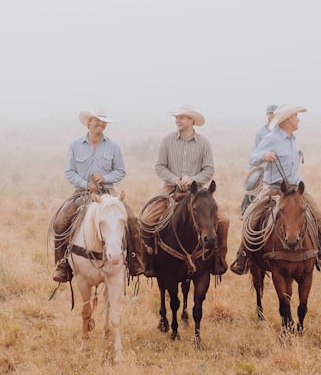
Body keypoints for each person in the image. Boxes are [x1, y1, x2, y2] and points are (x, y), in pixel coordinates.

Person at [230, 104, 321, 275]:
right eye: (296, 116)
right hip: (274, 188)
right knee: (251, 217)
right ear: (287, 120)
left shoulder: (293, 139)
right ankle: (243, 256)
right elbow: (252, 158)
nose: (298, 119)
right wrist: (264, 156)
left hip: (296, 188)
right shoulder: (271, 138)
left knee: (318, 215)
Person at [50, 109, 142, 283]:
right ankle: (62, 264)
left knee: (131, 219)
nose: (100, 125)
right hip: (82, 193)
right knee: (60, 222)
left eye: (103, 123)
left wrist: (105, 177)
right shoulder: (75, 145)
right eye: (96, 122)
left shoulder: (113, 146)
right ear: (88, 124)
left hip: (109, 193)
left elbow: (121, 171)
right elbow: (69, 171)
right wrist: (85, 184)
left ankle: (134, 259)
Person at [140, 104, 229, 277]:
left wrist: (193, 179)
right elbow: (159, 166)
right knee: (146, 219)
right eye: (176, 117)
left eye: (181, 117)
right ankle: (148, 258)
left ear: (191, 120)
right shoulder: (167, 140)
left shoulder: (203, 143)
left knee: (224, 220)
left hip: (198, 192)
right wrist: (176, 179)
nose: (177, 120)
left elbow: (209, 169)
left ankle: (219, 257)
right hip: (170, 188)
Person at [241, 104, 277, 214]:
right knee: (252, 182)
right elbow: (255, 152)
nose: (271, 116)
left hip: (278, 167)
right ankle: (245, 208)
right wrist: (264, 156)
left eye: (273, 114)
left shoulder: (282, 131)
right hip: (262, 166)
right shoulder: (261, 132)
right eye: (269, 113)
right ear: (266, 115)